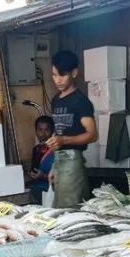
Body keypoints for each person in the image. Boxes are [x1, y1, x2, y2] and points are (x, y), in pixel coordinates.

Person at [47, 51, 98, 208]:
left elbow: (92, 134)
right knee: (58, 207)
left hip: (73, 161)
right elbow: (59, 131)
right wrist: (53, 166)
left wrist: (64, 140)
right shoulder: (56, 100)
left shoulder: (80, 101)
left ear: (74, 73)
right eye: (55, 75)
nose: (58, 80)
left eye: (63, 75)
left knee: (69, 209)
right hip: (59, 160)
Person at [29, 115, 55, 202]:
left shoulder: (57, 151)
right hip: (37, 190)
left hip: (51, 193)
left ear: (52, 131)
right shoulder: (36, 149)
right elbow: (33, 170)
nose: (43, 134)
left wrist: (43, 176)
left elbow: (63, 179)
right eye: (40, 130)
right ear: (36, 131)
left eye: (47, 130)